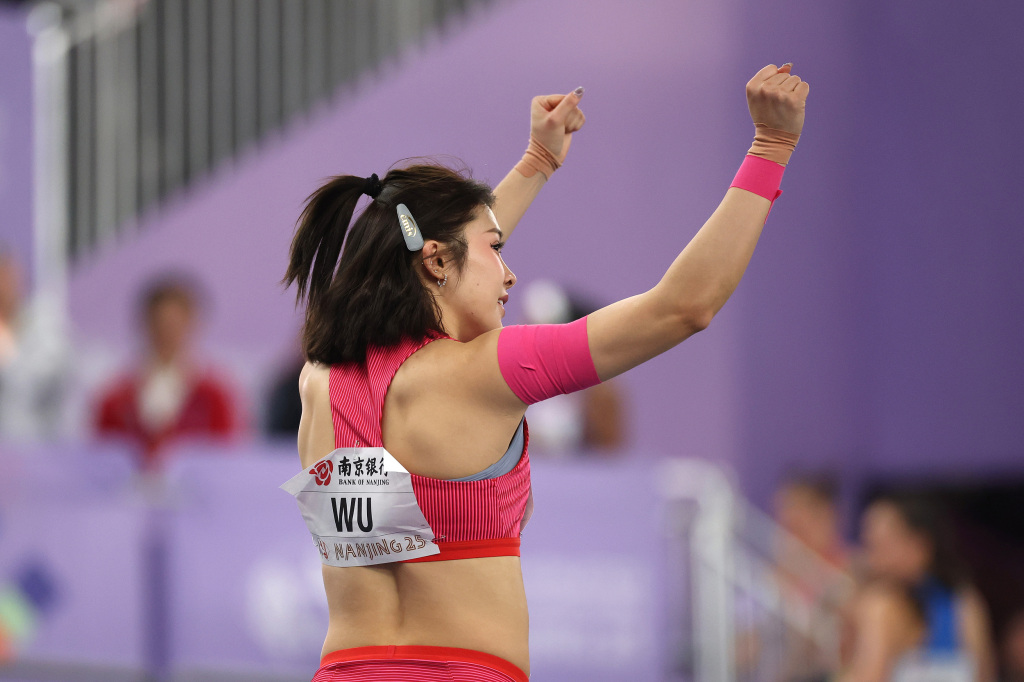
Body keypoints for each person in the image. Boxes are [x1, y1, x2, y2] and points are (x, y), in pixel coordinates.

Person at [283, 64, 809, 681]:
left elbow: (432, 254)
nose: (509, 274)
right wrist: (770, 147)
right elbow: (682, 308)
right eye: (497, 250)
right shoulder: (484, 373)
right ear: (436, 262)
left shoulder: (320, 379)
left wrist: (539, 160)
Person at [838, 494, 997, 682]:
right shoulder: (963, 602)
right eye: (868, 543)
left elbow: (868, 677)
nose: (869, 556)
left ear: (919, 545)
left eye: (879, 544)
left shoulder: (962, 604)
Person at [94, 275, 240, 469]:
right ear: (146, 324)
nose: (167, 333)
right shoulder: (116, 399)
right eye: (159, 323)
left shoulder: (214, 397)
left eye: (175, 324)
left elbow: (225, 458)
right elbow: (102, 458)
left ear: (191, 325)